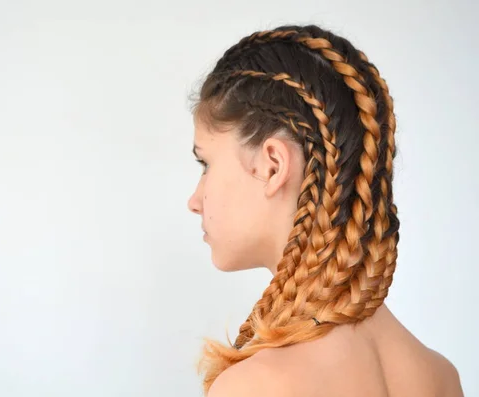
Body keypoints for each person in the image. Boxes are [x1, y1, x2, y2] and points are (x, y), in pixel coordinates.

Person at [187, 24, 464, 397]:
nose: (195, 199)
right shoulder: (440, 376)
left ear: (272, 165)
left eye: (206, 164)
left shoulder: (256, 386)